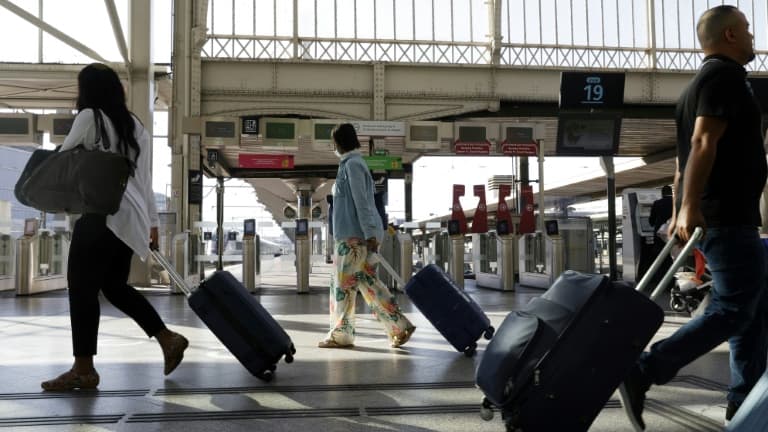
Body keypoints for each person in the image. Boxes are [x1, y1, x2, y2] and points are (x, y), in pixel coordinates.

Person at [621, 6, 768, 429]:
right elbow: (703, 141)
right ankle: (645, 369)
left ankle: (745, 411)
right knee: (735, 310)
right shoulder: (722, 77)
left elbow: (684, 158)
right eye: (745, 29)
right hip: (726, 219)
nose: (752, 35)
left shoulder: (695, 86)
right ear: (728, 36)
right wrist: (687, 206)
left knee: (754, 313)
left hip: (722, 217)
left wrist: (681, 201)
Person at [41, 63, 189, 390]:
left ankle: (83, 369)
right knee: (114, 286)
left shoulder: (89, 118)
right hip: (130, 219)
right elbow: (146, 180)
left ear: (88, 90)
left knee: (81, 289)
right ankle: (167, 338)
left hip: (100, 214)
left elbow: (65, 160)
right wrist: (152, 224)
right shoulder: (135, 126)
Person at [318, 123, 416, 349]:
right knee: (369, 284)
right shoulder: (352, 164)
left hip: (352, 240)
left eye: (334, 143)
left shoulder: (352, 165)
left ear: (339, 143)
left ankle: (341, 335)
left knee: (342, 288)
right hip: (354, 237)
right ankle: (399, 327)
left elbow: (363, 203)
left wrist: (371, 234)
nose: (333, 147)